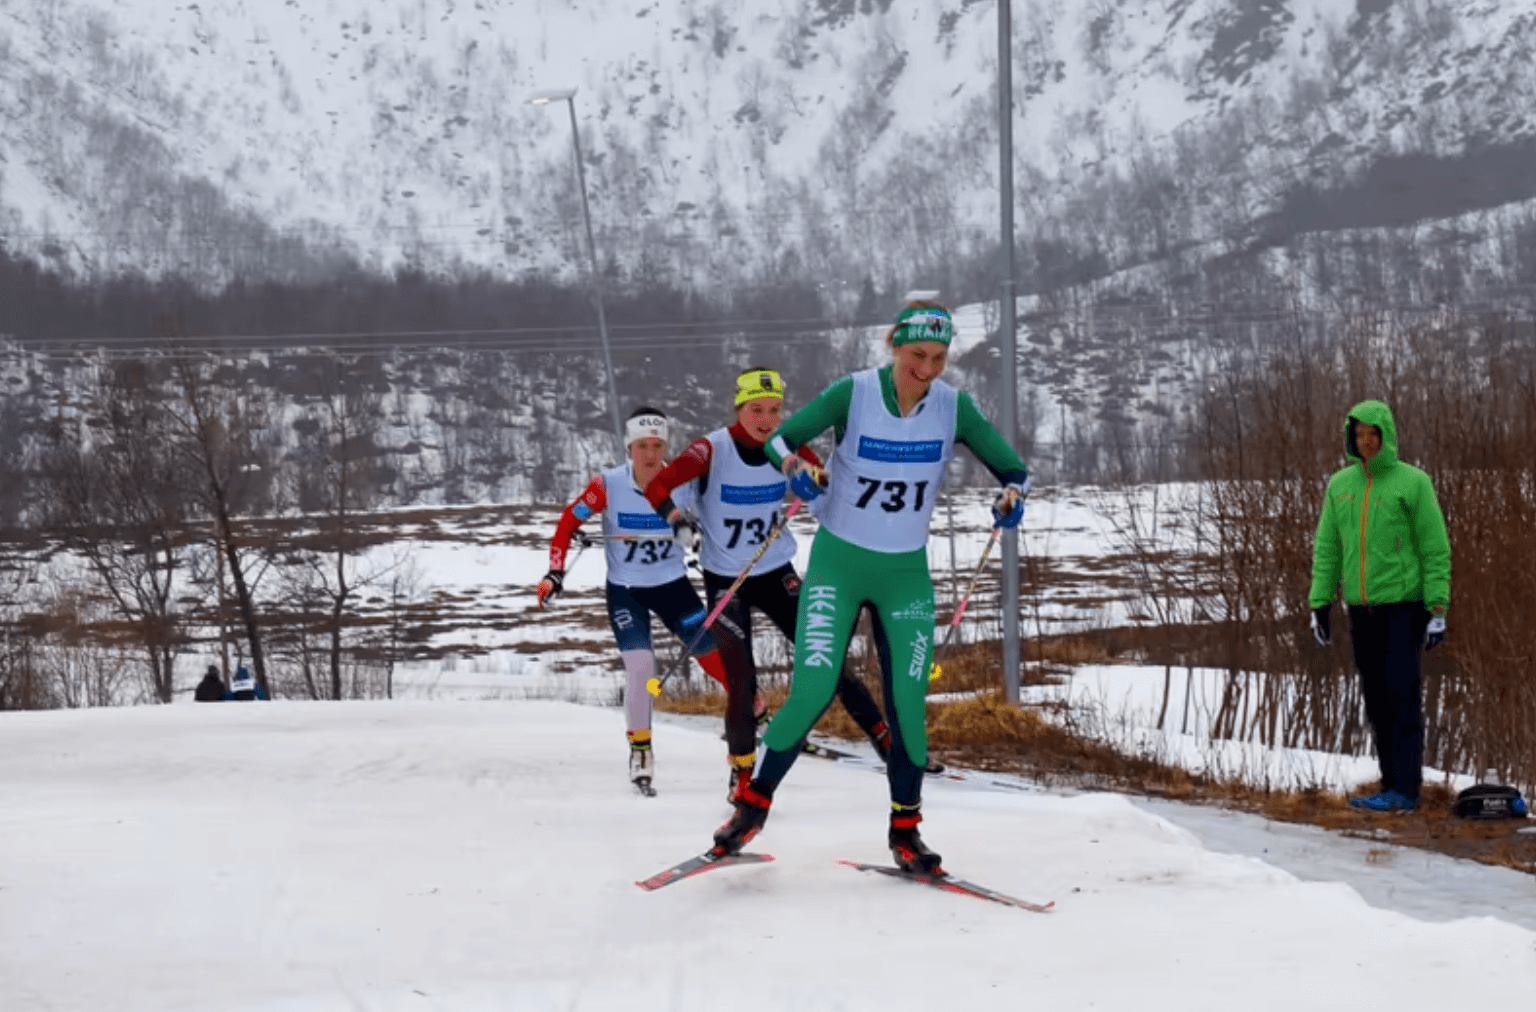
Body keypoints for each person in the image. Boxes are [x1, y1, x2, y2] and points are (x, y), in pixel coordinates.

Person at [709, 300, 1030, 873]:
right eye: (917, 355)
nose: (927, 369)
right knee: (812, 690)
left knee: (908, 705)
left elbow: (1014, 469)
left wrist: (1011, 496)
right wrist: (795, 469)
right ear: (895, 346)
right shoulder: (852, 393)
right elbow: (781, 440)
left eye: (938, 358)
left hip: (905, 575)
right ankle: (752, 808)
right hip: (839, 564)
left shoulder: (954, 407)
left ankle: (906, 832)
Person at [643, 366, 895, 802]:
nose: (765, 419)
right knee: (742, 680)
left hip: (776, 571)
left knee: (825, 657)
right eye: (755, 409)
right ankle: (742, 773)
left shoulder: (788, 447)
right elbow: (659, 485)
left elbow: (830, 487)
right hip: (727, 579)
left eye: (774, 410)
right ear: (739, 408)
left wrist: (818, 485)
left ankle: (886, 742)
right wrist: (676, 519)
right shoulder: (711, 449)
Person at [537, 406, 742, 795]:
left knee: (714, 657)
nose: (650, 454)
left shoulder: (682, 483)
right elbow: (568, 522)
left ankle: (758, 714)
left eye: (657, 445)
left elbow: (719, 515)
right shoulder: (608, 485)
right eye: (642, 445)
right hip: (626, 591)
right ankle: (641, 750)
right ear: (629, 447)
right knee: (641, 666)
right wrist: (555, 572)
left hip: (673, 587)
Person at [1308, 399, 1450, 813]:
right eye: (1359, 434)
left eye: (1373, 433)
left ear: (1386, 435)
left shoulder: (1413, 482)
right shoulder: (1340, 485)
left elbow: (1435, 547)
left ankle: (1406, 790)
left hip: (1404, 607)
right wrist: (1320, 602)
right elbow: (1328, 548)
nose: (1366, 441)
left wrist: (1437, 607)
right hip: (1362, 609)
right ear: (1351, 438)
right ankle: (1390, 785)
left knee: (1402, 694)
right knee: (1376, 698)